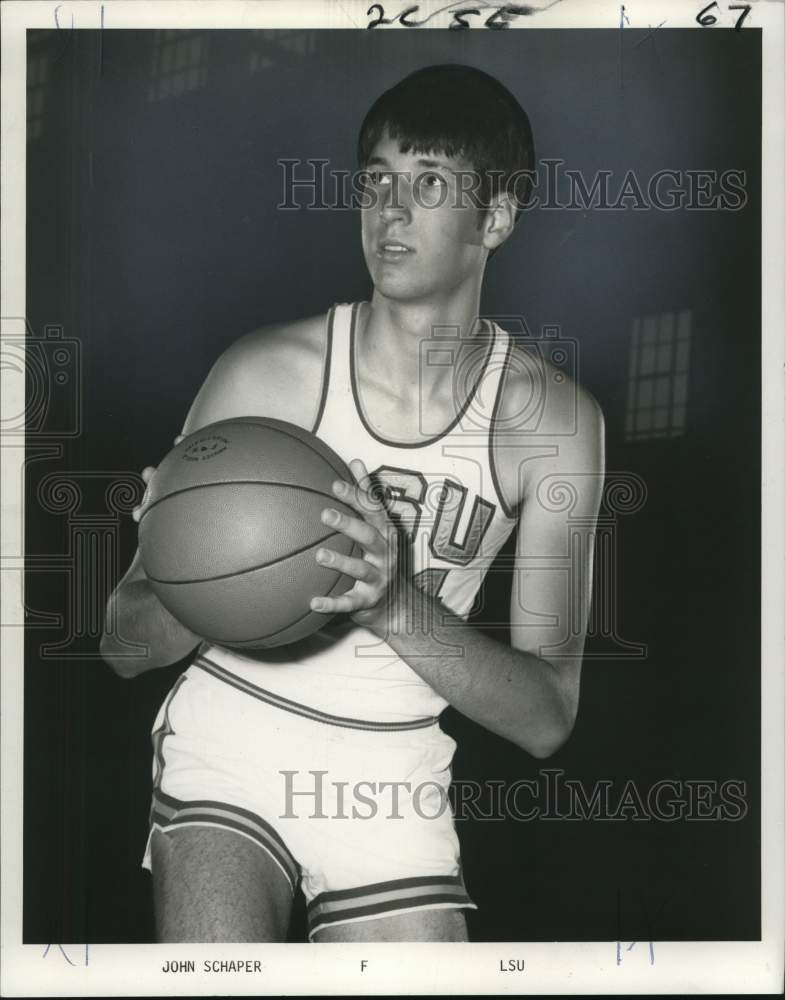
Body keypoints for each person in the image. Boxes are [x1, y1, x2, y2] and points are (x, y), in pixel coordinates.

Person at [100, 64, 604, 943]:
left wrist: (389, 601)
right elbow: (121, 646)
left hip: (394, 769)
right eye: (375, 181)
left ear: (496, 217)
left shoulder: (554, 425)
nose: (389, 211)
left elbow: (545, 718)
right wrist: (187, 565)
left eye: (429, 184)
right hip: (235, 738)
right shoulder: (265, 372)